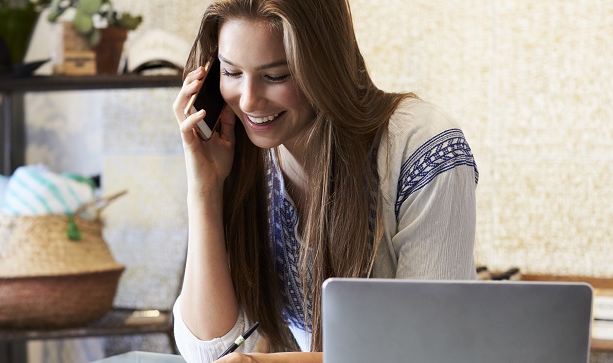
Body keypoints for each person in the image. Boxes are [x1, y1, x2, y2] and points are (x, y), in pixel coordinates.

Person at [171, 0, 477, 361]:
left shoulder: (425, 147)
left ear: (324, 68)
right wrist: (205, 189)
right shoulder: (240, 153)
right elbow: (210, 350)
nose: (249, 100)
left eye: (276, 75)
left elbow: (429, 350)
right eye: (232, 72)